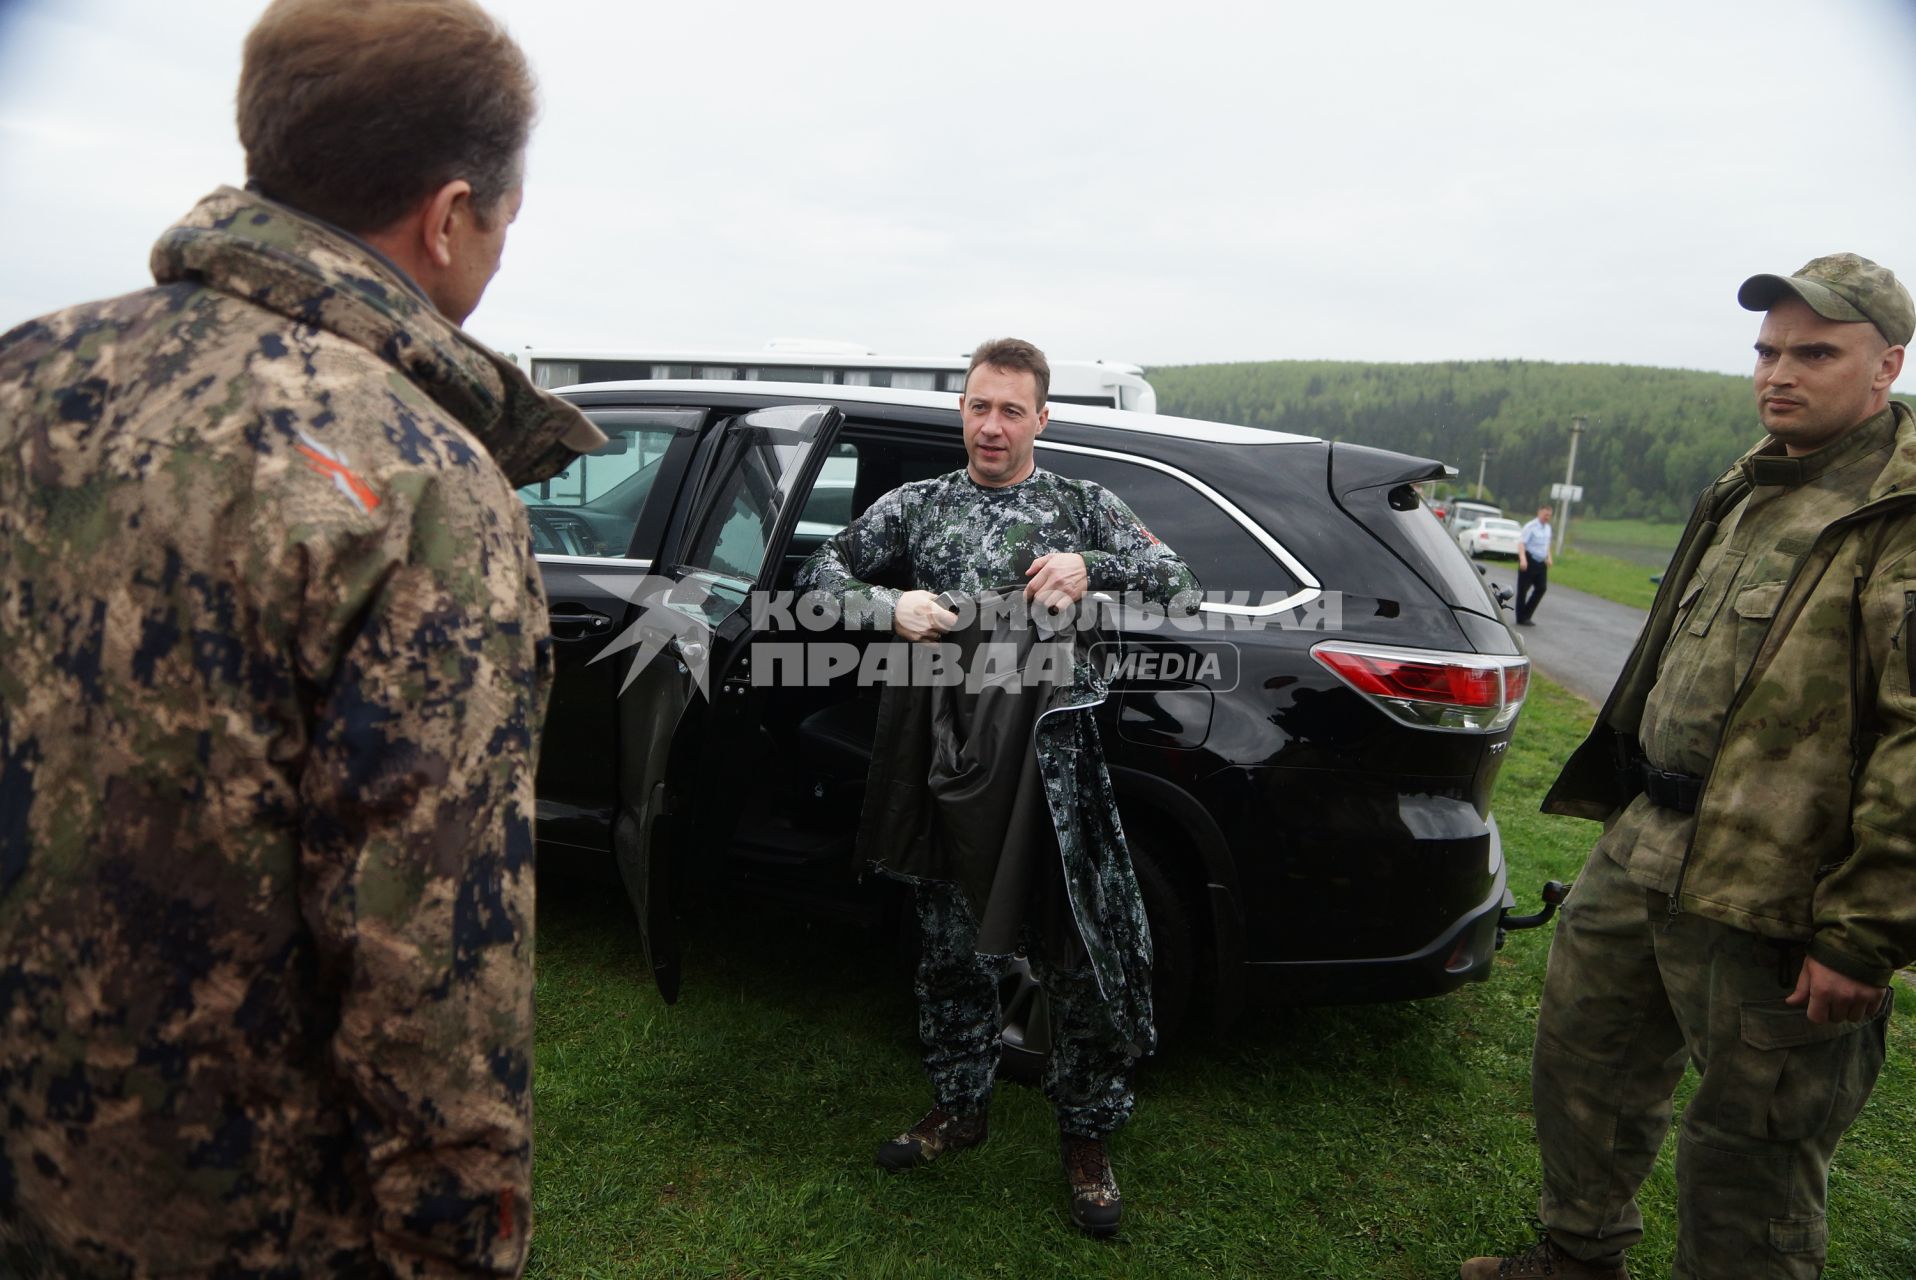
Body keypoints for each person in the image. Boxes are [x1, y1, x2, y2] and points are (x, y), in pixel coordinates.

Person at [0, 2, 603, 1275]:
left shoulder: (26, 377)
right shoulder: (418, 480)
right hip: (245, 1217)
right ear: (447, 219)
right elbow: (432, 965)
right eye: (500, 223)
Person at [1464, 253, 1914, 1279]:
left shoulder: (1895, 517)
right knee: (1585, 1061)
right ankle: (1578, 1253)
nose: (1776, 372)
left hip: (1774, 886)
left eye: (1812, 351)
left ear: (1885, 362)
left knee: (1751, 1142)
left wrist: (1861, 934)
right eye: (1764, 350)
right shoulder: (1751, 480)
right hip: (1650, 836)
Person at [796, 338, 1198, 1237]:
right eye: (979, 406)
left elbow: (1182, 584)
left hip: (1052, 770)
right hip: (945, 755)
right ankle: (960, 1107)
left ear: (1041, 418)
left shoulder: (1080, 506)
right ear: (963, 411)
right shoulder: (918, 508)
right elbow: (818, 577)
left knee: (1078, 954)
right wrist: (886, 607)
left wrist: (1097, 566)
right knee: (949, 946)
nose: (991, 425)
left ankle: (1086, 1140)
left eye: (1011, 410)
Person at [1514, 504, 1554, 625]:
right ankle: (1521, 617)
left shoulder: (1548, 528)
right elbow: (1521, 543)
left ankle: (1527, 614)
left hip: (1541, 562)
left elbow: (1546, 545)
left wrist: (1549, 557)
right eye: (1545, 514)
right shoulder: (1531, 526)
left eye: (1549, 515)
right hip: (1529, 560)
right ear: (1539, 513)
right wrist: (1523, 559)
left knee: (1541, 588)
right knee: (1523, 589)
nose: (1547, 517)